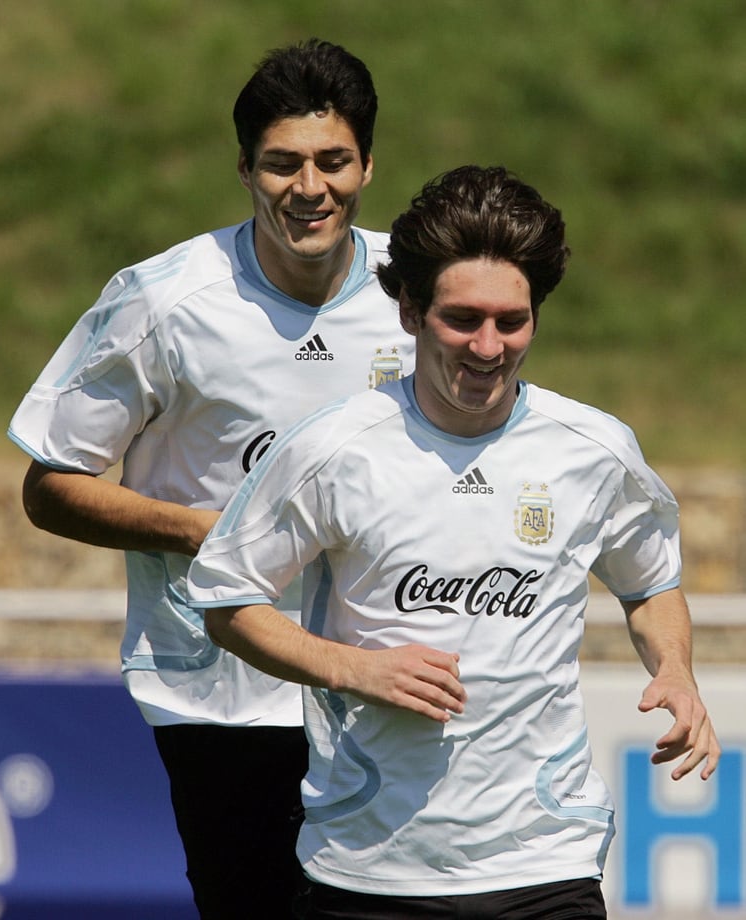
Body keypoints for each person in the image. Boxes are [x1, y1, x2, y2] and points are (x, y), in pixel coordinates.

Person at [187, 164, 720, 920]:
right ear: (408, 310)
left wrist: (676, 670)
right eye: (462, 319)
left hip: (547, 861)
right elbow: (225, 600)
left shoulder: (592, 450)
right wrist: (352, 668)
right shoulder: (333, 450)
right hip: (369, 870)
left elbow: (649, 584)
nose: (488, 346)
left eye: (512, 321)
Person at [7, 39, 414, 919]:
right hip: (224, 694)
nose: (310, 187)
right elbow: (48, 485)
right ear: (244, 169)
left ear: (368, 164)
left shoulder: (416, 294)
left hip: (378, 679)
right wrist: (204, 531)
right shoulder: (163, 300)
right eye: (282, 164)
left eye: (333, 161)